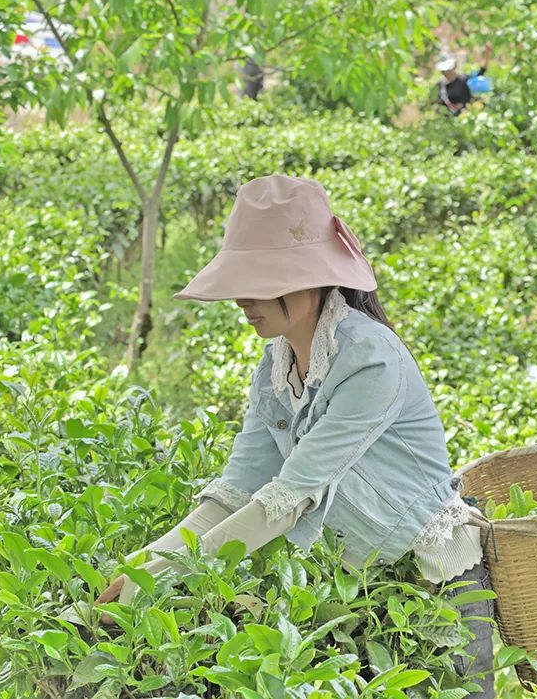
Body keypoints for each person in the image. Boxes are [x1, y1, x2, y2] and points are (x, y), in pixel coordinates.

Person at [91, 175, 495, 696]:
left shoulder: (371, 358)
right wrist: (138, 568)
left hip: (434, 586)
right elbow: (234, 492)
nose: (242, 300)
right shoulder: (274, 368)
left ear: (311, 278)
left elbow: (292, 496)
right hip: (355, 589)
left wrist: (161, 582)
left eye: (261, 281)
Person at [435, 43, 492, 116]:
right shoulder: (441, 86)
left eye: (448, 70)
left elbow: (481, 71)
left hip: (468, 117)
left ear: (453, 67)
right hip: (451, 120)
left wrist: (487, 54)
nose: (447, 73)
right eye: (444, 71)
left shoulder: (464, 79)